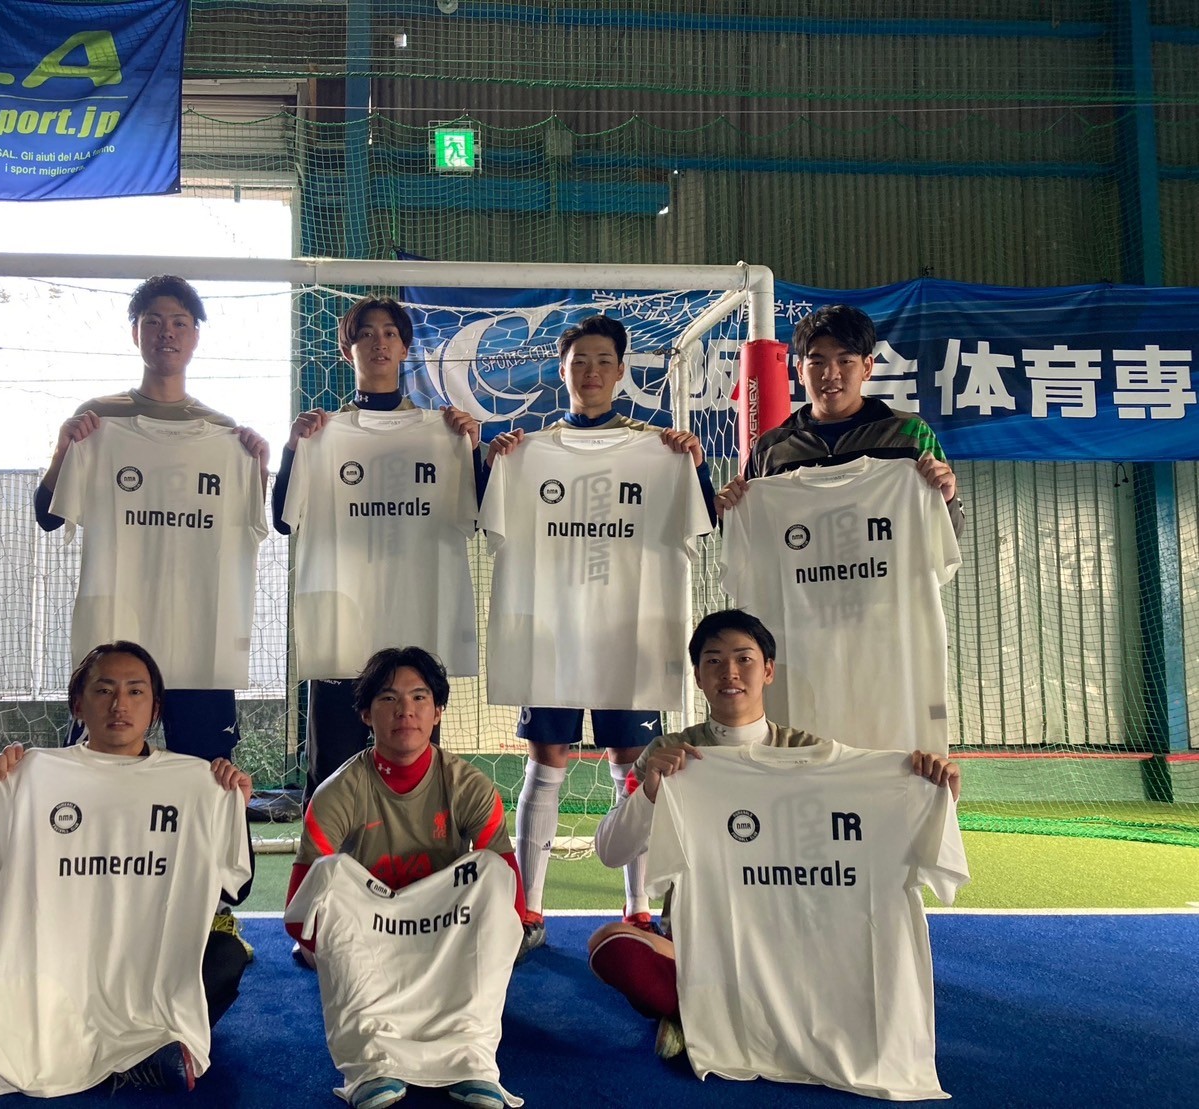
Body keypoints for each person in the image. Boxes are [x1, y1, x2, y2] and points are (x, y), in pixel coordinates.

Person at [586, 609, 960, 1060]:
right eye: (713, 661)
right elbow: (611, 851)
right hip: (706, 940)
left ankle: (703, 1014)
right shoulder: (669, 753)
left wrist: (934, 791)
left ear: (768, 671)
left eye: (743, 659)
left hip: (792, 937)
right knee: (611, 947)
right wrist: (650, 793)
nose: (729, 672)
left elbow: (879, 828)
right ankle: (705, 1009)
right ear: (698, 677)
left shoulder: (809, 752)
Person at [0, 642, 255, 1096]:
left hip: (144, 978)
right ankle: (130, 1059)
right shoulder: (28, 776)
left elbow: (236, 889)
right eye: (104, 690)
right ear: (78, 705)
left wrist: (234, 808)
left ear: (155, 709)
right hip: (50, 980)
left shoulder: (198, 783)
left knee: (225, 955)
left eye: (136, 691)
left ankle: (12, 1054)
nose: (120, 705)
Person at [483, 314, 717, 957]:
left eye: (602, 361)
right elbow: (485, 518)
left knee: (631, 770)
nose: (590, 372)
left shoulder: (660, 451)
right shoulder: (527, 452)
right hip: (551, 634)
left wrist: (694, 466)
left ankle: (637, 909)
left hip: (630, 635)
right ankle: (529, 908)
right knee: (546, 763)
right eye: (579, 361)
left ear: (620, 372)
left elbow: (703, 519)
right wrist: (493, 462)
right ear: (562, 371)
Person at [34, 274, 271, 763]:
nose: (167, 333)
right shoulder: (100, 420)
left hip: (199, 636)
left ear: (195, 336)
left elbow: (246, 528)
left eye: (179, 323)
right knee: (95, 768)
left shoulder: (223, 432)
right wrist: (63, 451)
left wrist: (258, 469)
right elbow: (47, 517)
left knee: (207, 771)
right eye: (153, 322)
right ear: (135, 332)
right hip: (115, 630)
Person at [284, 647, 525, 1109]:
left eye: (419, 697)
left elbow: (511, 905)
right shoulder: (337, 793)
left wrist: (474, 952)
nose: (405, 711)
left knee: (494, 872)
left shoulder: (469, 786)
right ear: (365, 714)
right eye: (388, 699)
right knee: (330, 874)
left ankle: (471, 1059)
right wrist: (340, 953)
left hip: (444, 936)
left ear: (438, 712)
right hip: (371, 941)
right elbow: (300, 913)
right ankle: (371, 1064)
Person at [270, 295, 480, 802]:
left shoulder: (443, 434)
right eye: (365, 334)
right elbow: (281, 519)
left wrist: (471, 450)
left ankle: (417, 857)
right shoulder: (322, 434)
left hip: (416, 636)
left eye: (389, 333)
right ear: (348, 350)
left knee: (417, 778)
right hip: (342, 634)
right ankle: (326, 859)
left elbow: (477, 520)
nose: (378, 343)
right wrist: (294, 448)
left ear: (406, 348)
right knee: (331, 779)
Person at [715, 303, 964, 533]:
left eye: (845, 361)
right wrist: (731, 516)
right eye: (817, 362)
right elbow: (754, 540)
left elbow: (949, 534)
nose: (830, 374)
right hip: (802, 569)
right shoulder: (771, 449)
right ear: (800, 371)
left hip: (886, 569)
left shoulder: (910, 433)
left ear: (867, 367)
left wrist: (947, 498)